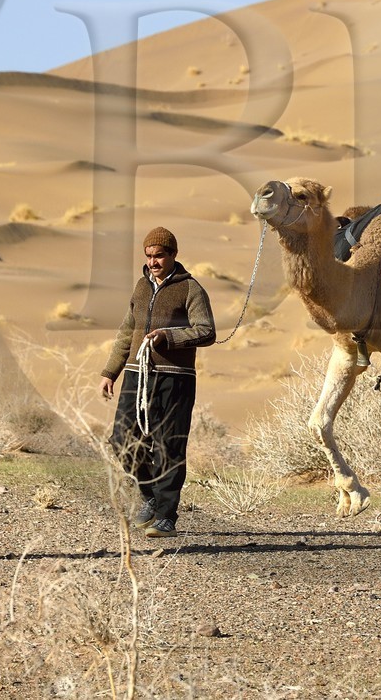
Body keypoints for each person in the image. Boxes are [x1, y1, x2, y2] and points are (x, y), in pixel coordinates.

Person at [98, 227, 215, 538]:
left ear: (173, 254)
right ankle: (149, 494)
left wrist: (170, 337)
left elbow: (206, 331)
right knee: (121, 440)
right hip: (137, 375)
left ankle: (166, 516)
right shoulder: (141, 286)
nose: (153, 262)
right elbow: (126, 332)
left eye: (159, 255)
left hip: (175, 378)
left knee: (169, 446)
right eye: (149, 256)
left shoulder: (191, 289)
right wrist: (110, 372)